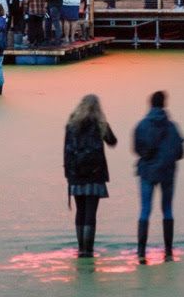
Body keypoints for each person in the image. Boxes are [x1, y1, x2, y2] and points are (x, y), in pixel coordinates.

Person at [133, 90, 184, 264]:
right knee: (167, 210)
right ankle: (168, 251)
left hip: (147, 172)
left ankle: (141, 252)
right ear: (164, 104)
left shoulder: (141, 125)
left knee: (145, 210)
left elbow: (136, 149)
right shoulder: (172, 127)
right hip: (167, 173)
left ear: (150, 104)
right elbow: (180, 152)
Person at [64, 94, 118, 258]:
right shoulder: (100, 124)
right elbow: (112, 141)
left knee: (80, 211)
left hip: (76, 175)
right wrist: (105, 125)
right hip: (95, 174)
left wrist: (68, 175)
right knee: (90, 213)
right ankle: (89, 250)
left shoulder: (71, 125)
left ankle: (81, 248)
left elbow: (66, 151)